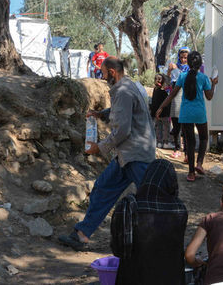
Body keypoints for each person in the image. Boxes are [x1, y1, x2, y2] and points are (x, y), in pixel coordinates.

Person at [58, 57, 156, 250]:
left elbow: (122, 130)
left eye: (103, 73)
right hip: (129, 154)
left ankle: (162, 238)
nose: (101, 77)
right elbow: (123, 111)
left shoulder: (122, 91)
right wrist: (102, 113)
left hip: (135, 155)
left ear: (112, 72)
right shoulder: (129, 86)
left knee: (151, 199)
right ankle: (82, 235)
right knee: (102, 189)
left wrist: (100, 147)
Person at [111, 159, 188, 285]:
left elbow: (118, 249)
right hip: (172, 278)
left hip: (133, 278)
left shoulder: (128, 205)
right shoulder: (180, 209)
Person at [157, 51, 217, 181]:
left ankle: (191, 173)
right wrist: (213, 84)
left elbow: (172, 94)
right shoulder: (203, 78)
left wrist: (161, 107)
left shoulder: (182, 76)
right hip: (199, 113)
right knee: (203, 138)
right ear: (200, 63)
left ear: (188, 63)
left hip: (185, 114)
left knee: (189, 143)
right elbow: (209, 96)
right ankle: (199, 163)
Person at [167, 47, 190, 160]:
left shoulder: (191, 68)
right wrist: (170, 70)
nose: (183, 60)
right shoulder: (175, 67)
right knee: (176, 126)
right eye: (181, 57)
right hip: (175, 98)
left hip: (186, 99)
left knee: (186, 127)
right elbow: (168, 82)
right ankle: (177, 149)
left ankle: (186, 151)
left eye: (185, 58)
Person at [150, 73, 172, 149]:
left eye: (159, 79)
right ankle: (165, 142)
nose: (158, 80)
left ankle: (159, 142)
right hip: (165, 113)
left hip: (157, 113)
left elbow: (153, 102)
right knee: (165, 128)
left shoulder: (155, 90)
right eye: (156, 79)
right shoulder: (165, 90)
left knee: (159, 128)